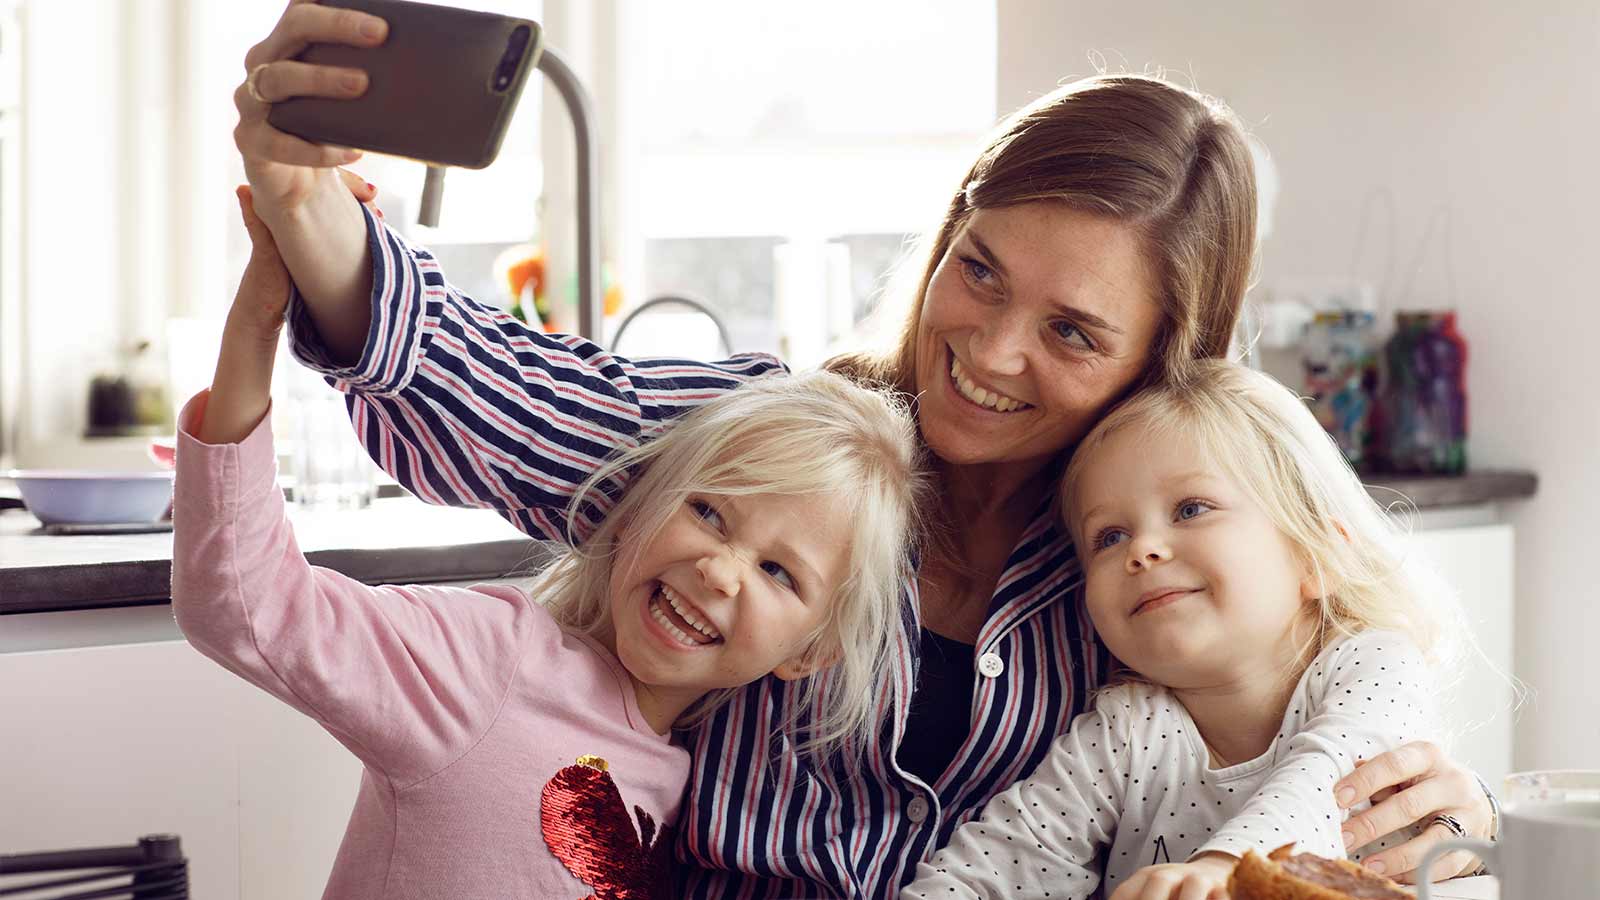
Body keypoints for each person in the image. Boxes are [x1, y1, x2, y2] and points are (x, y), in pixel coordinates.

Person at [231, 6, 1498, 894]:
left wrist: (1454, 824)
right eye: (979, 272)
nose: (992, 351)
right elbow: (469, 379)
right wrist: (304, 208)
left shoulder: (1142, 570)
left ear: (1161, 358)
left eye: (1069, 329)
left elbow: (1305, 745)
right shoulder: (780, 453)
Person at [170, 188, 923, 899]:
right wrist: (258, 319)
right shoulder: (491, 663)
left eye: (778, 572)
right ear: (631, 512)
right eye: (709, 513)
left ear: (810, 653)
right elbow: (244, 605)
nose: (720, 570)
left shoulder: (678, 777)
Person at [903, 360, 1466, 900]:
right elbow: (994, 870)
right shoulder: (1124, 734)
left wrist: (1227, 870)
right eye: (1108, 537)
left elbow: (1326, 777)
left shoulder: (1375, 666)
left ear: (1318, 554)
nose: (1143, 550)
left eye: (1192, 508)